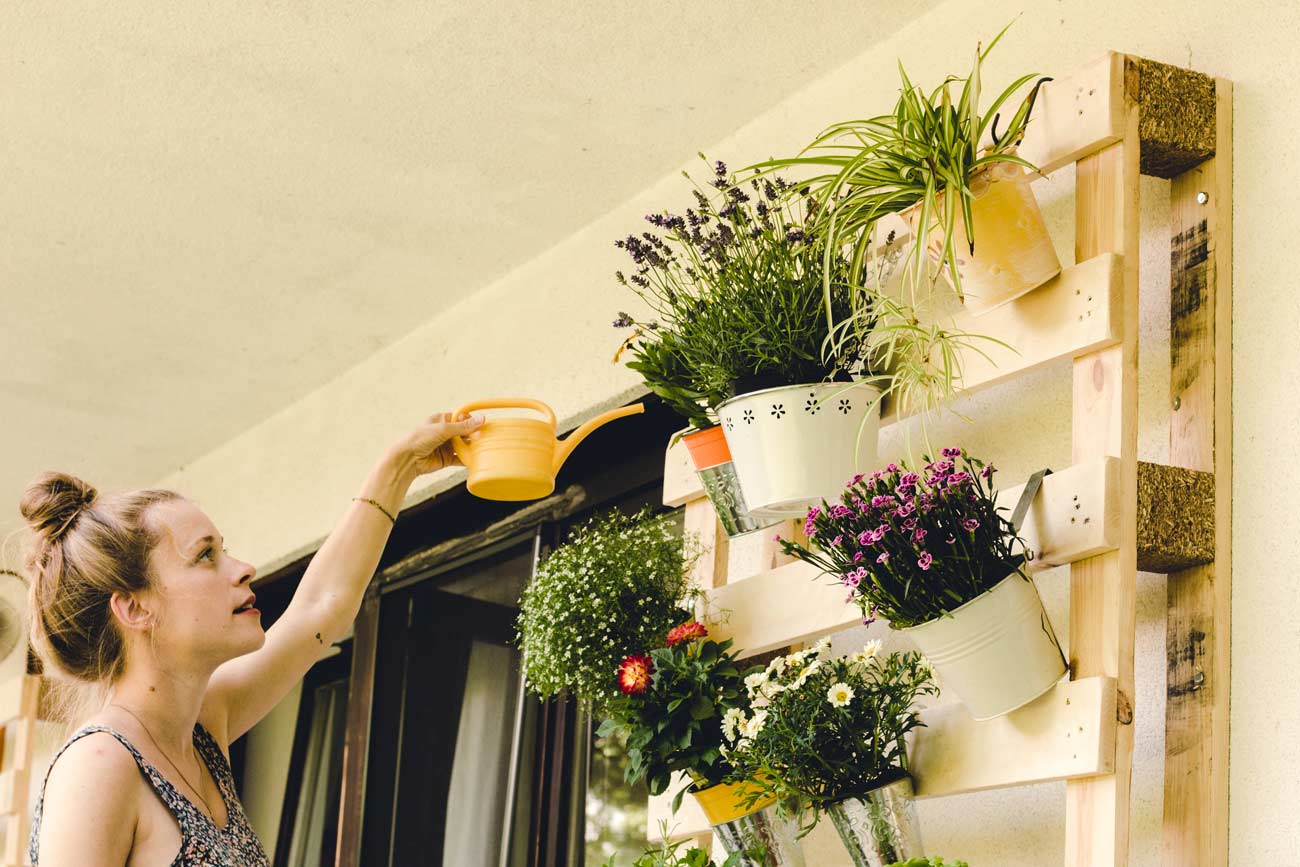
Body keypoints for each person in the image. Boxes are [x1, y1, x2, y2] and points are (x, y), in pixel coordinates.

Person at [18, 411, 484, 866]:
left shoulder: (202, 731)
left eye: (225, 549)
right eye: (205, 555)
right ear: (135, 608)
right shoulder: (99, 765)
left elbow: (321, 608)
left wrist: (401, 467)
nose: (243, 568)